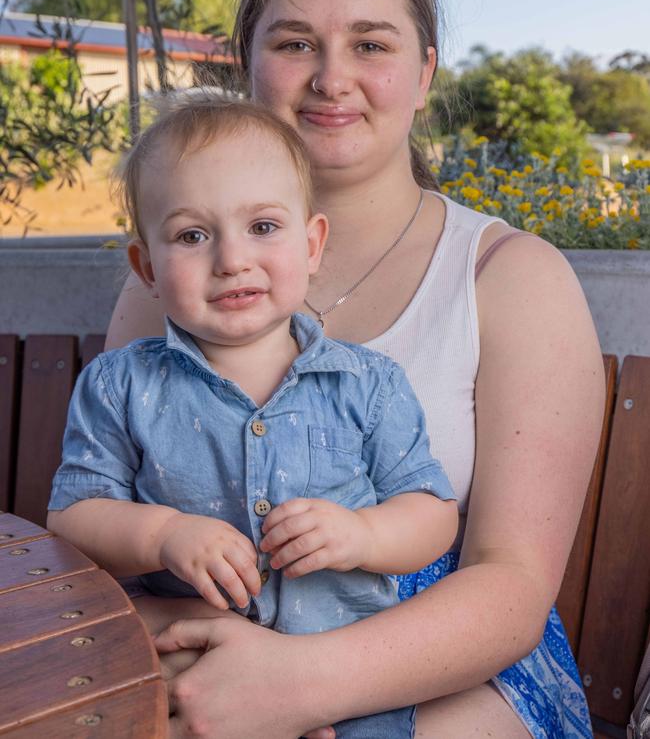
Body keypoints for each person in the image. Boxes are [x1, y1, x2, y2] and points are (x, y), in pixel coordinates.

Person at [103, 0, 605, 739]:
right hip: (200, 636)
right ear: (249, 67)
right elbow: (104, 513)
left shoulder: (511, 278)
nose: (332, 77)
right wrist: (191, 647)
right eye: (295, 43)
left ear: (425, 72)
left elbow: (511, 586)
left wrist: (296, 683)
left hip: (443, 663)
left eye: (371, 44)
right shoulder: (175, 272)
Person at [47, 96, 458, 739]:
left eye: (263, 227)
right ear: (147, 267)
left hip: (341, 681)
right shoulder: (121, 384)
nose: (232, 259)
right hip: (188, 668)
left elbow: (431, 510)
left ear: (312, 242)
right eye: (192, 235)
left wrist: (363, 535)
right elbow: (73, 515)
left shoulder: (368, 385)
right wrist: (163, 536)